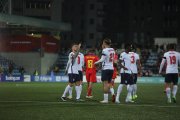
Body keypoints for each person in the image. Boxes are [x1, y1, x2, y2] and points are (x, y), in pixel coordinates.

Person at [94, 38, 115, 103]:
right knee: (109, 83)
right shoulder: (112, 50)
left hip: (105, 68)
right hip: (111, 68)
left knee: (105, 84)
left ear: (105, 43)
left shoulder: (104, 50)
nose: (102, 44)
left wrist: (95, 62)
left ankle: (105, 100)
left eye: (103, 43)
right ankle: (113, 93)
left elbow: (102, 59)